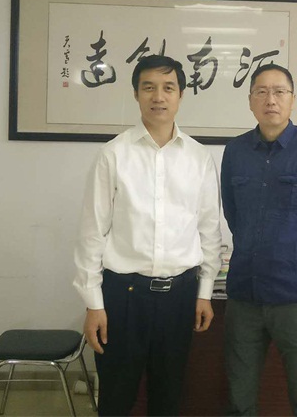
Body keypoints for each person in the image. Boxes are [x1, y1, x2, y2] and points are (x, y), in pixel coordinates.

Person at [73, 55, 222, 416]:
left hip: (180, 296)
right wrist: (93, 303)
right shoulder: (113, 154)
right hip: (123, 296)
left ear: (181, 95)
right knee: (116, 398)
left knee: (168, 397)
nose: (159, 96)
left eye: (168, 88)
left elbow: (209, 230)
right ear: (136, 94)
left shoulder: (199, 158)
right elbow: (92, 233)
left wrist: (204, 292)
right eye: (149, 87)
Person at [220, 63, 297, 416]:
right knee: (239, 397)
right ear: (250, 101)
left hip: (295, 294)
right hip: (244, 293)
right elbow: (233, 213)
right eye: (261, 92)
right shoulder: (235, 152)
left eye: (279, 92)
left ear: (292, 99)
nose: (270, 100)